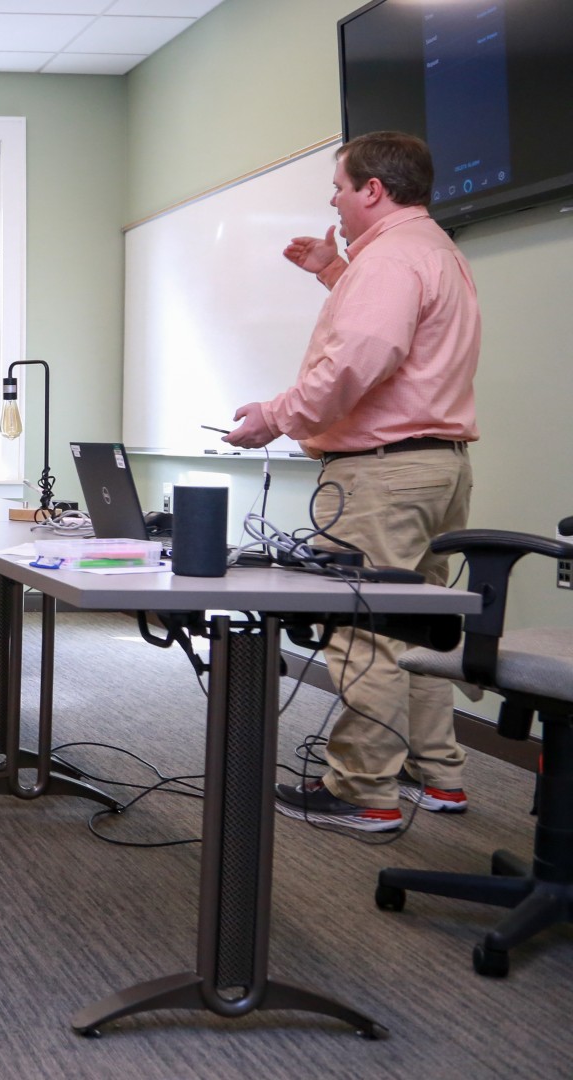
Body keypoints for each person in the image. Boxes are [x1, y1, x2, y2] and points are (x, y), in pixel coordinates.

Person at [223, 132, 478, 832]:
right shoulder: (435, 251)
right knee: (418, 628)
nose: (333, 200)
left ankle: (364, 788)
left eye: (338, 187)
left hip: (384, 474)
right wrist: (335, 273)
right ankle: (439, 775)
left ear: (372, 190)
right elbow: (404, 338)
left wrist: (275, 417)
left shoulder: (391, 260)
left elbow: (360, 358)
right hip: (438, 467)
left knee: (364, 632)